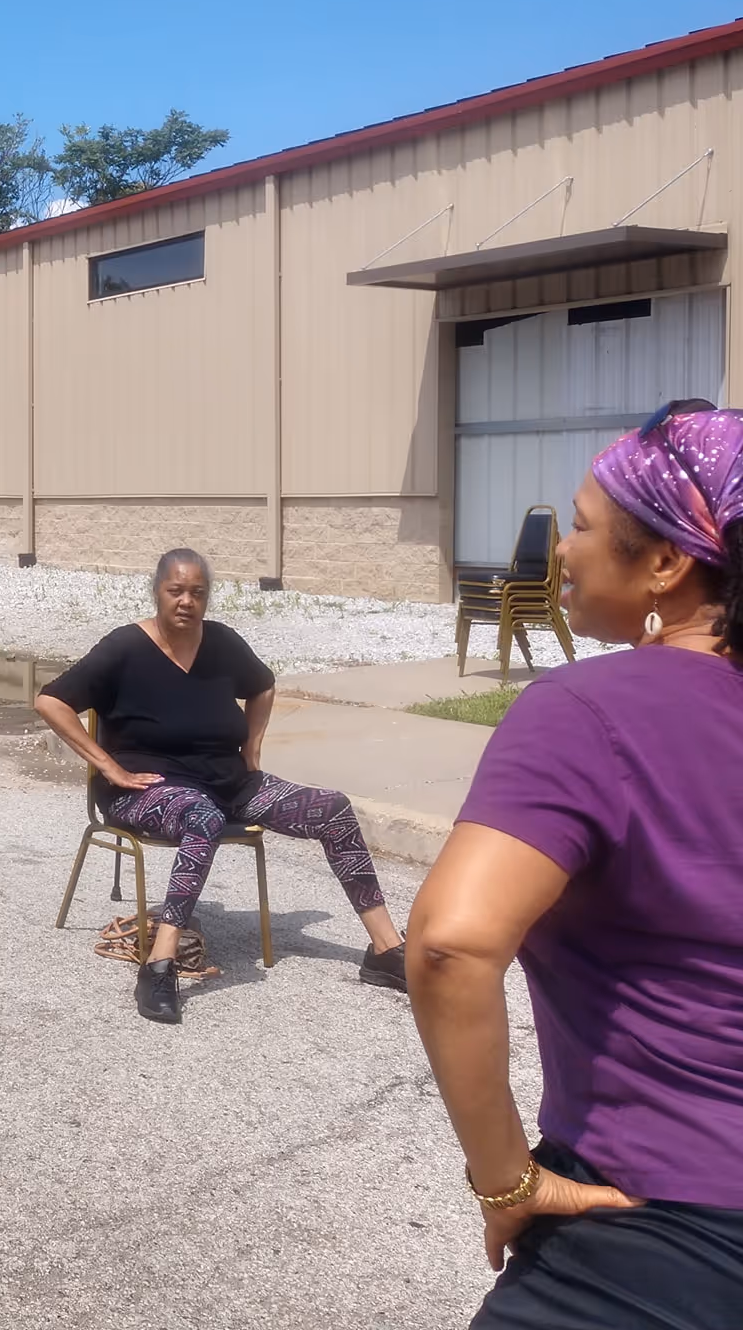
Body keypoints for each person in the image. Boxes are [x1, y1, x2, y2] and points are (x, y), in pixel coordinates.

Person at [408, 401, 743, 1328]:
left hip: (659, 1230)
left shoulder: (589, 708)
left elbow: (449, 946)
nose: (562, 550)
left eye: (585, 526)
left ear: (668, 564)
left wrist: (505, 1181)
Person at [35, 548, 405, 1024]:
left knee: (332, 808)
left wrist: (251, 750)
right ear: (157, 592)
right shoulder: (124, 647)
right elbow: (50, 701)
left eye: (197, 592)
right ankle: (159, 963)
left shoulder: (223, 643)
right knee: (201, 815)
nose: (186, 601)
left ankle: (385, 951)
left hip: (228, 783)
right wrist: (110, 768)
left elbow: (263, 685)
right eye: (176, 591)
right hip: (147, 791)